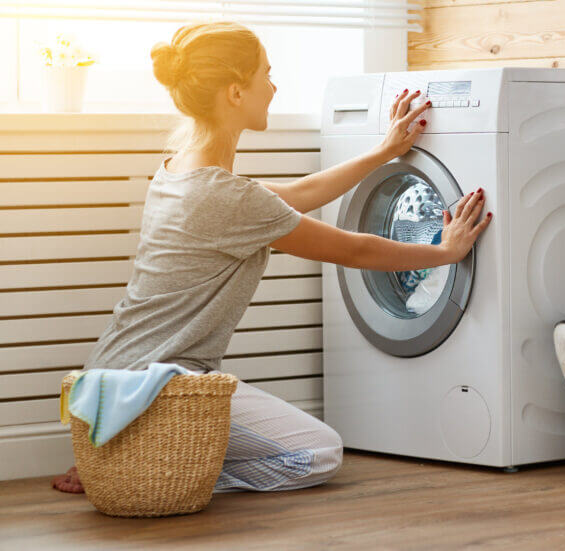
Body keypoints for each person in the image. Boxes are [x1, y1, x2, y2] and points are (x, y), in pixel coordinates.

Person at [52, 21, 490, 494]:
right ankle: (155, 467)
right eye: (267, 73)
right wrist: (444, 251)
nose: (274, 86)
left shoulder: (179, 172)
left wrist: (383, 151)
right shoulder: (227, 197)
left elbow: (299, 194)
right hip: (163, 390)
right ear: (236, 92)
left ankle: (128, 457)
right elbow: (353, 248)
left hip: (110, 375)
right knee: (319, 455)